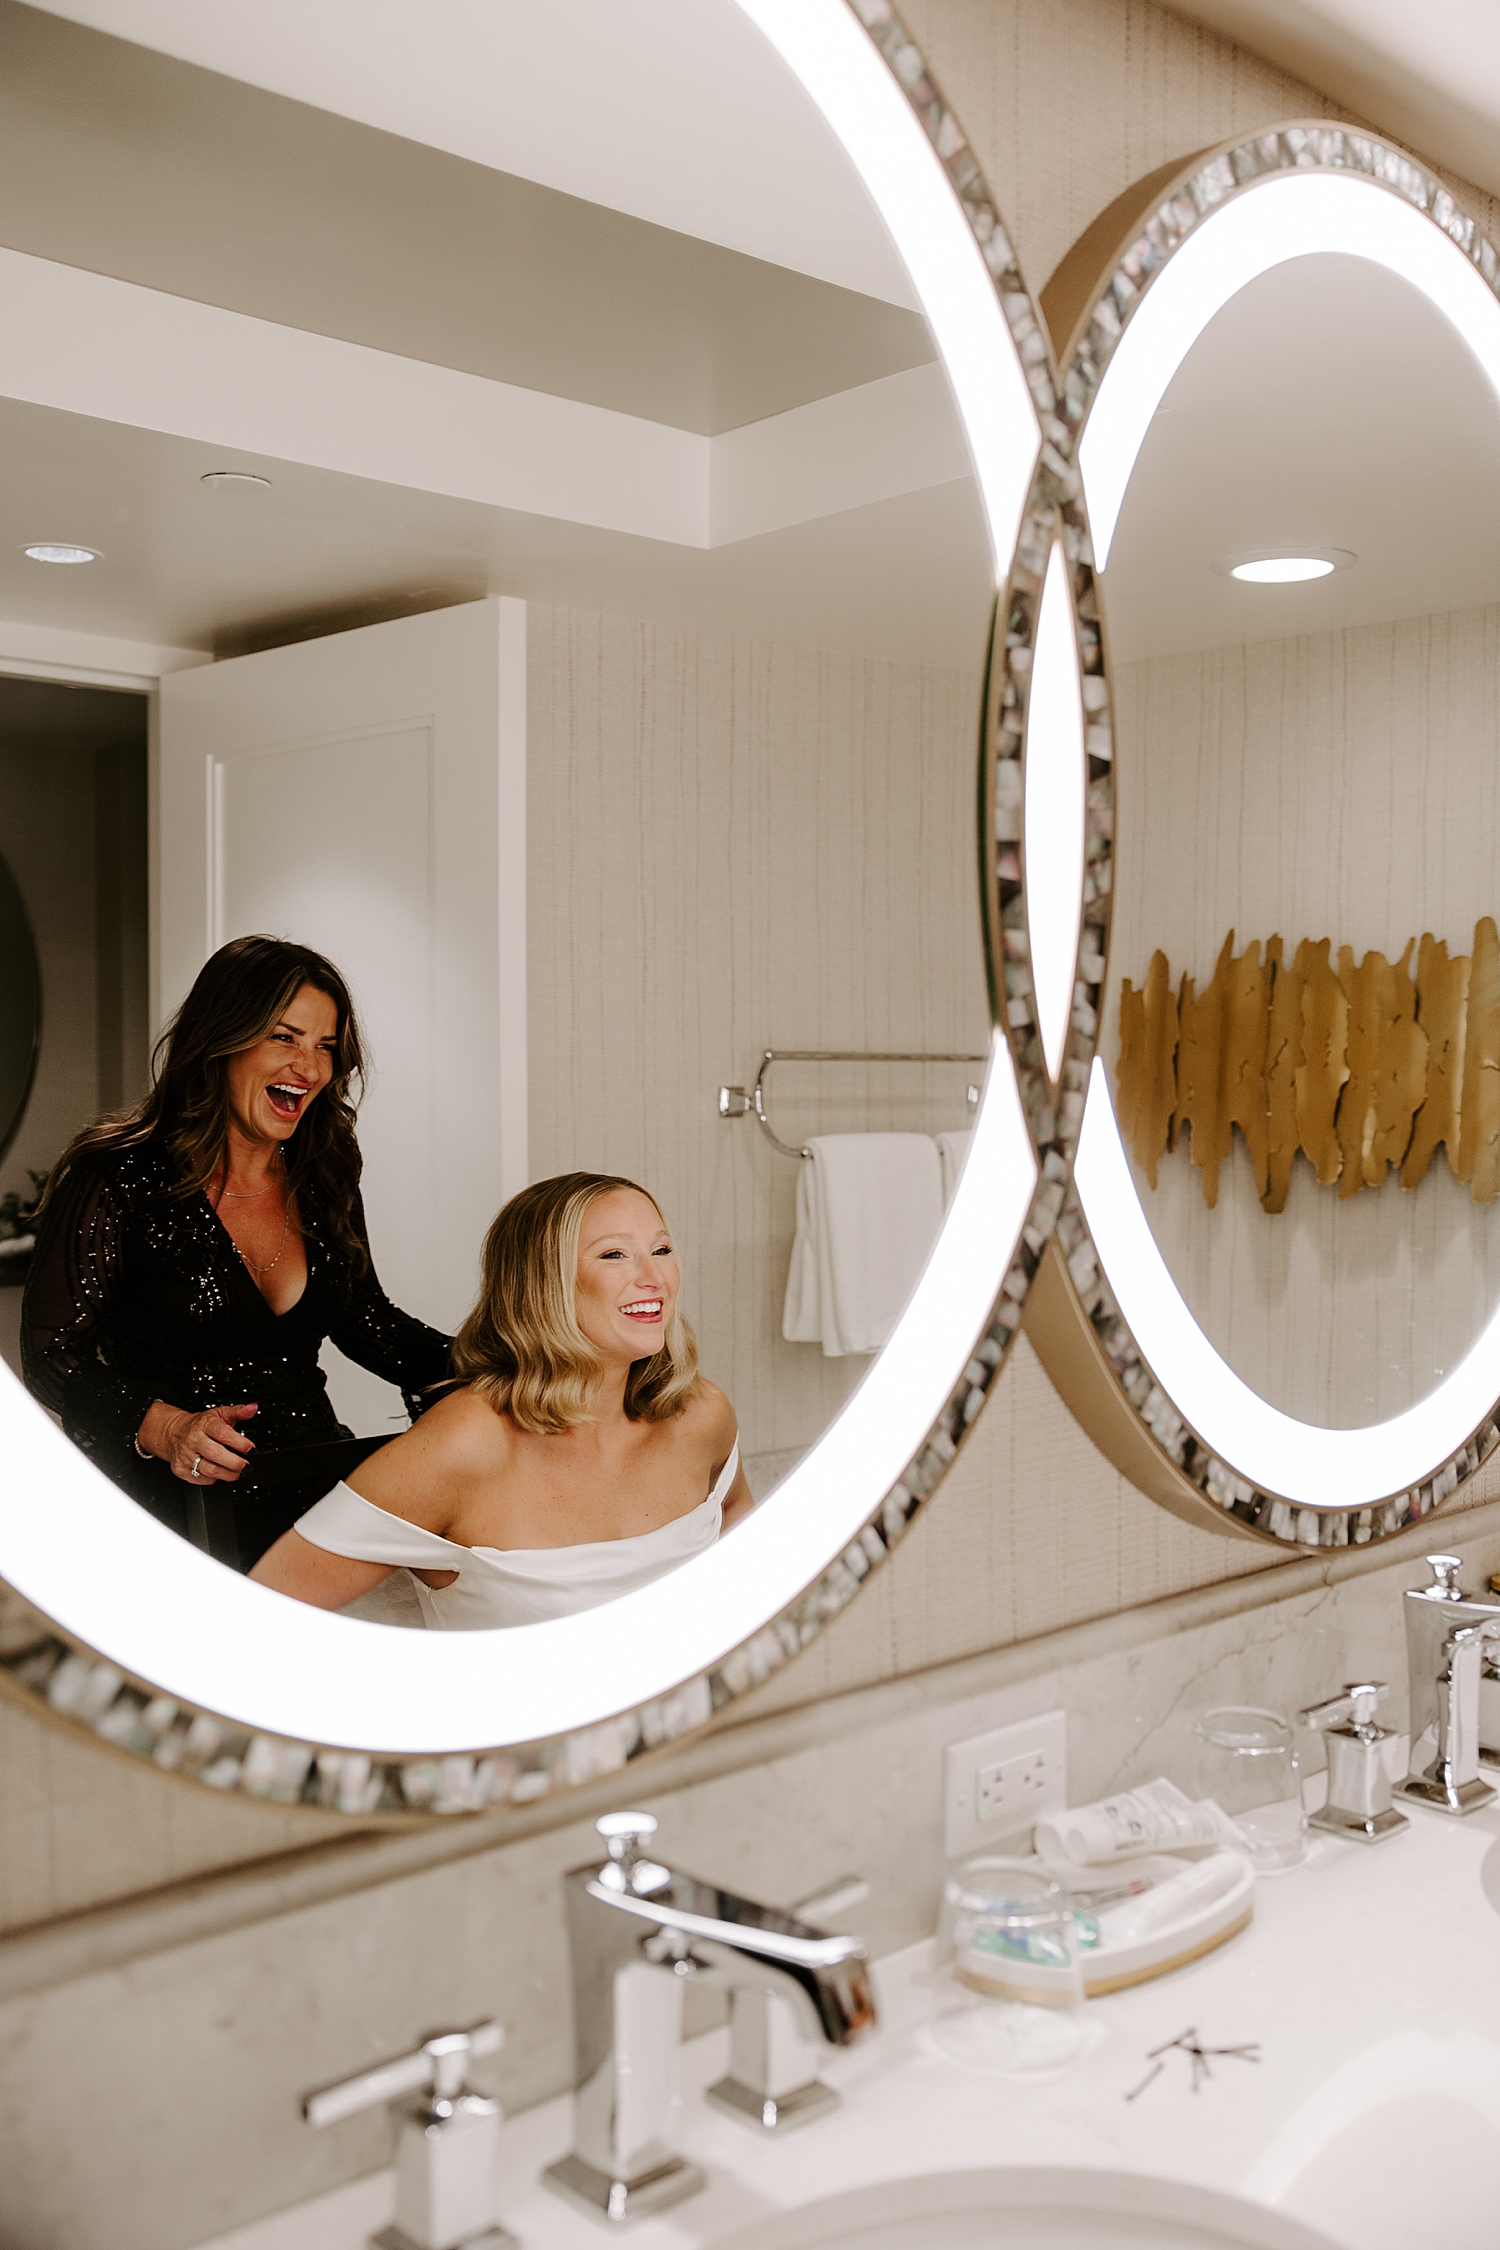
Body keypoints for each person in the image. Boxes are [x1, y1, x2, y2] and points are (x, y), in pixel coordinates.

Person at [22, 935, 452, 1572]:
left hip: (314, 1496)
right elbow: (53, 1353)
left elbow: (364, 1317)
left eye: (325, 1046)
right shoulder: (116, 1175)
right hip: (170, 1514)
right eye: (284, 1037)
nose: (308, 1067)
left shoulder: (325, 1167)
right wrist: (166, 1427)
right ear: (223, 1040)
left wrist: (496, 1366)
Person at [250, 1171, 752, 1627]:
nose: (655, 1278)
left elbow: (740, 1538)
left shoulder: (700, 1414)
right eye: (614, 1254)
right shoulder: (465, 1442)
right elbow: (258, 1614)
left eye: (662, 1250)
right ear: (541, 1283)